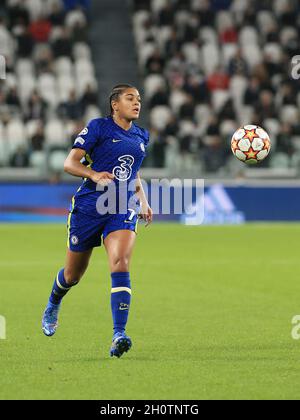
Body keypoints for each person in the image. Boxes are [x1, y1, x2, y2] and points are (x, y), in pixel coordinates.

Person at [42, 84, 153, 358]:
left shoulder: (141, 135)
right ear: (115, 104)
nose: (136, 103)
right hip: (89, 207)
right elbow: (70, 163)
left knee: (120, 262)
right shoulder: (98, 127)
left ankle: (119, 334)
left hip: (121, 206)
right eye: (130, 98)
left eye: (138, 99)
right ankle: (54, 300)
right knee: (73, 275)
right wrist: (94, 175)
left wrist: (143, 199)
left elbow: (133, 172)